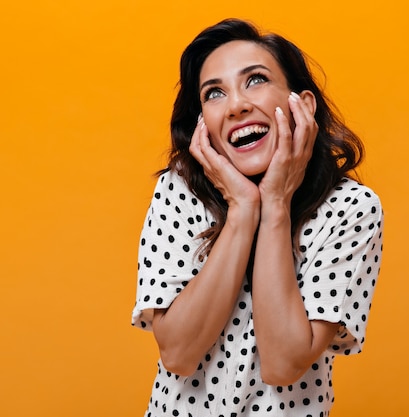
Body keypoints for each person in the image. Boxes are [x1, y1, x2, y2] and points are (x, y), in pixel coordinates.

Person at [132, 18, 383, 417]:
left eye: (256, 80)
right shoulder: (180, 190)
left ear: (302, 104)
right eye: (214, 93)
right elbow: (178, 353)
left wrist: (276, 205)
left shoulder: (351, 209)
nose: (236, 106)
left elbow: (284, 364)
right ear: (203, 125)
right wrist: (243, 210)